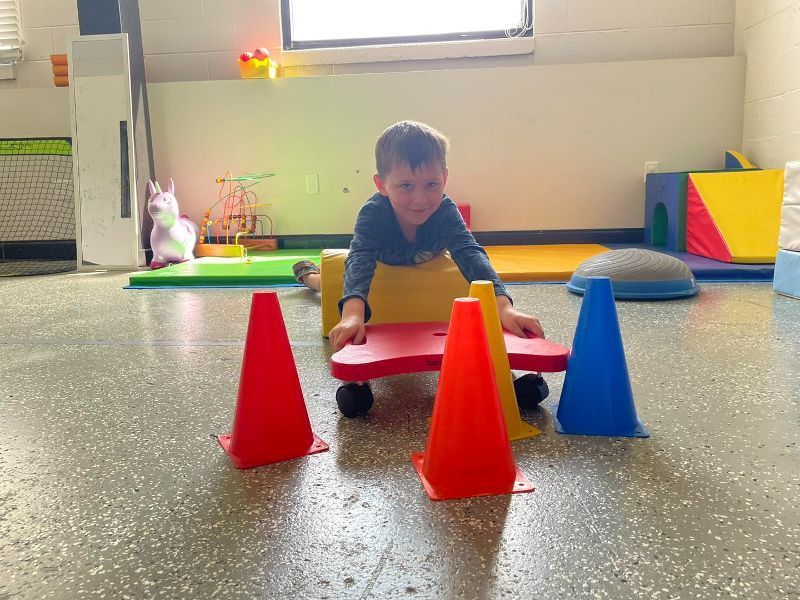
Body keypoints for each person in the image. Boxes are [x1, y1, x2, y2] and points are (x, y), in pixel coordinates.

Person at [292, 120, 544, 351]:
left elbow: (469, 252)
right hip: (382, 266)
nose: (421, 199)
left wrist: (504, 308)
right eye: (406, 186)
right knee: (329, 285)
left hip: (426, 261)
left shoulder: (445, 210)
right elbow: (360, 257)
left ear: (444, 178)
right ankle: (309, 276)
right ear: (382, 185)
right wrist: (352, 316)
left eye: (431, 184)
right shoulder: (374, 212)